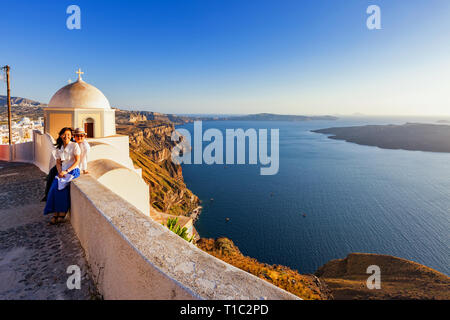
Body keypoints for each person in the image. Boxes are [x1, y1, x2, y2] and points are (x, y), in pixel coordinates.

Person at [44, 127, 81, 225]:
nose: (66, 136)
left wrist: (67, 171)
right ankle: (55, 213)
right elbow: (58, 163)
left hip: (72, 171)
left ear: (71, 136)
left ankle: (62, 213)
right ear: (60, 135)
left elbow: (77, 161)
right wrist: (60, 172)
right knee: (54, 189)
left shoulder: (74, 145)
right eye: (64, 134)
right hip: (62, 171)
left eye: (68, 134)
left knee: (63, 189)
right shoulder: (59, 148)